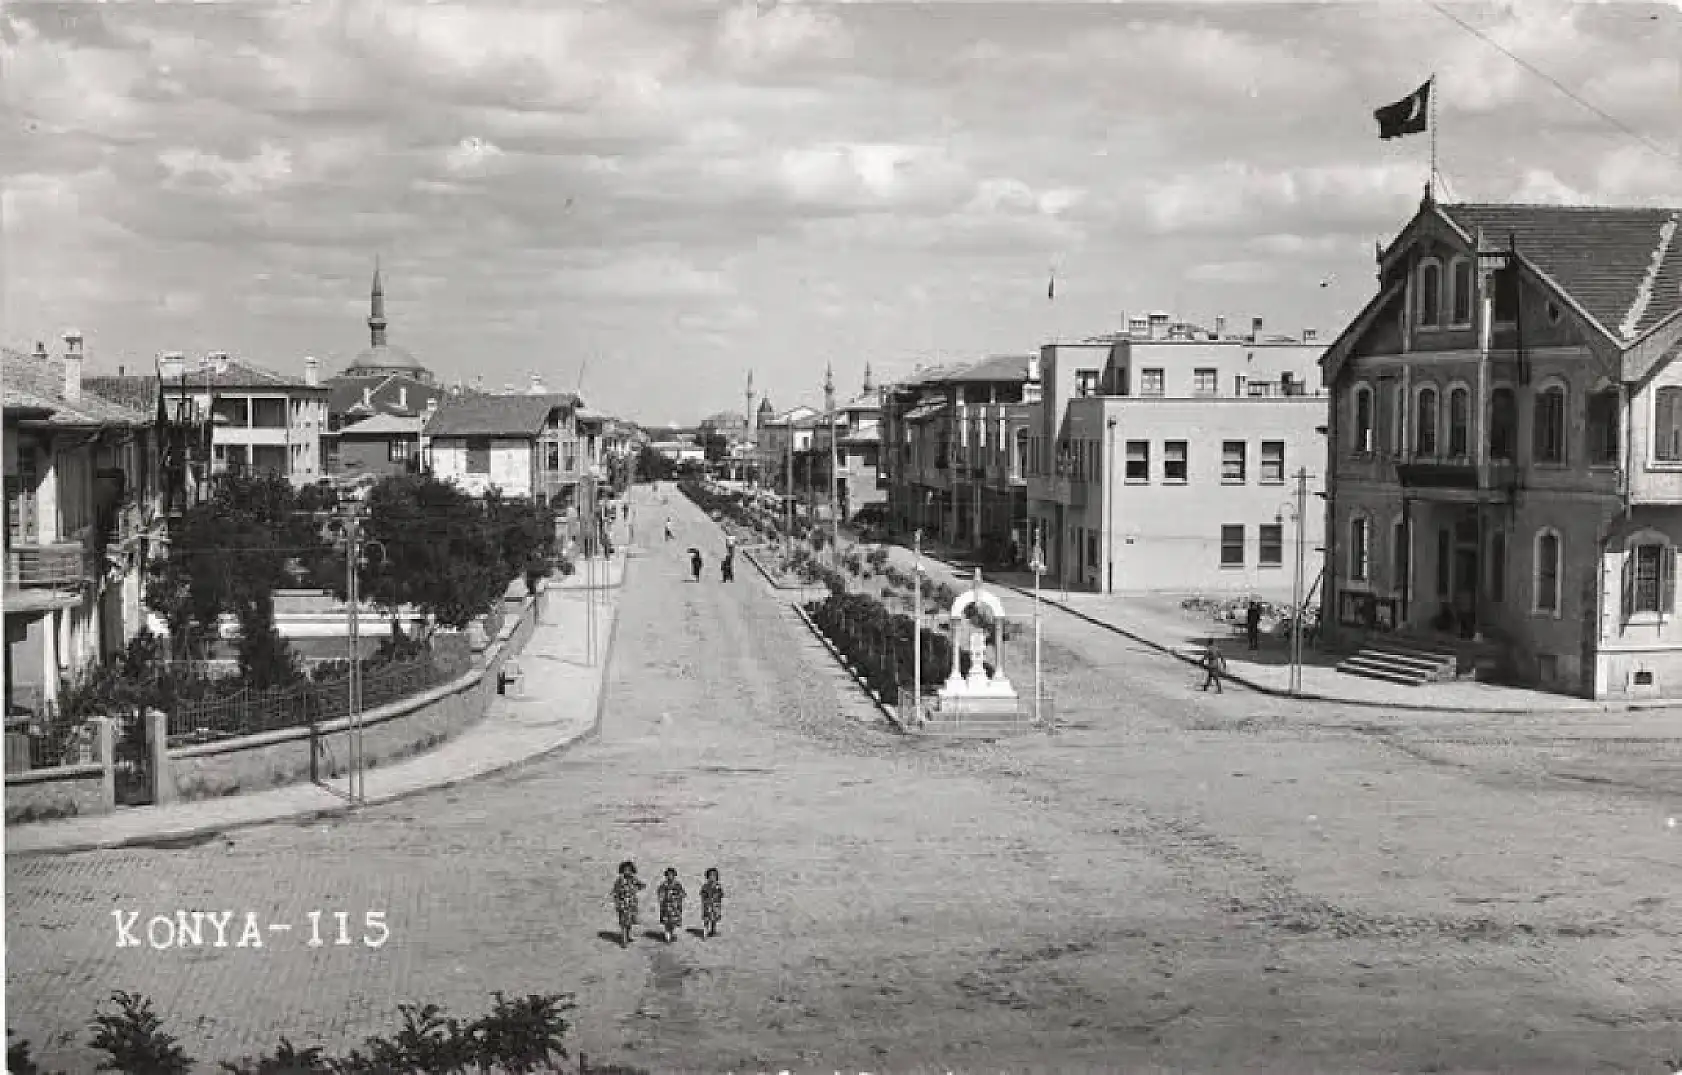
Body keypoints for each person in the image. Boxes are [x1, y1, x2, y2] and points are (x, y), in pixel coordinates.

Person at [611, 861, 646, 946]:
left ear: (632, 870)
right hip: (622, 904)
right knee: (623, 923)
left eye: (629, 870)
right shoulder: (619, 880)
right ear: (622, 870)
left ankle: (627, 936)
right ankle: (624, 940)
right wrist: (617, 902)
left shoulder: (634, 879)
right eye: (625, 870)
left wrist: (637, 888)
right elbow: (615, 892)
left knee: (630, 922)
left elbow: (642, 885)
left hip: (632, 904)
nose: (627, 872)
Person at [657, 867, 686, 942]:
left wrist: (680, 896)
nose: (670, 876)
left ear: (674, 875)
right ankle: (667, 936)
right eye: (668, 875)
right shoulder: (663, 884)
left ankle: (671, 933)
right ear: (666, 876)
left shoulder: (677, 884)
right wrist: (661, 899)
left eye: (672, 875)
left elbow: (683, 893)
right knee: (666, 922)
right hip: (666, 906)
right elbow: (660, 893)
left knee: (673, 922)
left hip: (675, 907)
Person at [700, 868, 724, 938]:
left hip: (716, 906)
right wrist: (706, 899)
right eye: (710, 876)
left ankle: (713, 931)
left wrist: (717, 897)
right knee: (706, 919)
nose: (712, 877)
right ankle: (705, 932)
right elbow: (702, 894)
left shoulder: (718, 886)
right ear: (707, 877)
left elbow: (721, 894)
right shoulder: (705, 886)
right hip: (707, 906)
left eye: (714, 876)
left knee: (714, 919)